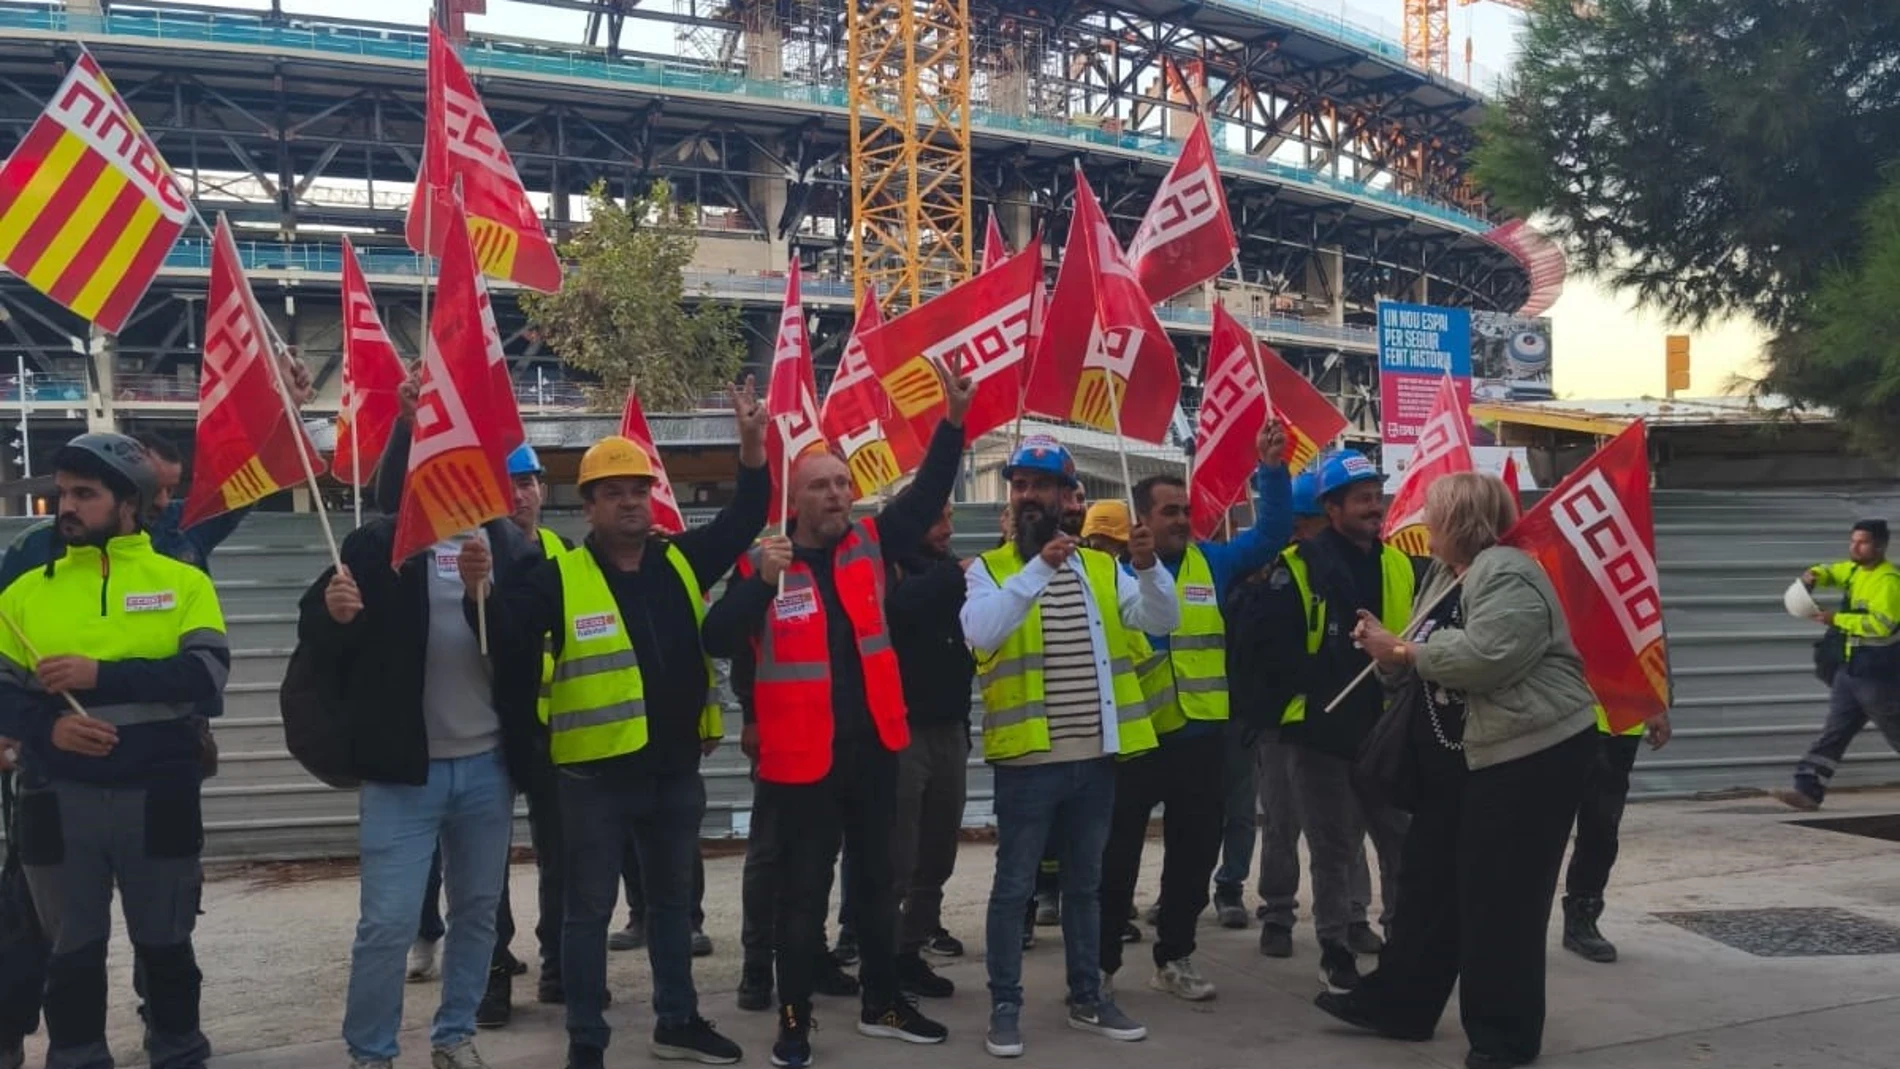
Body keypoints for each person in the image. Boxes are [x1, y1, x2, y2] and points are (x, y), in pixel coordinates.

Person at [459, 381, 771, 1069]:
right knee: (587, 915)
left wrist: (751, 445)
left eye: (638, 487)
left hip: (672, 772)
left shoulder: (681, 562)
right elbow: (505, 637)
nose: (630, 499)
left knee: (669, 909)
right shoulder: (557, 576)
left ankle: (677, 1021)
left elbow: (749, 512)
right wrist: (475, 588)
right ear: (590, 505)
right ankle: (586, 1042)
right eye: (614, 491)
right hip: (592, 780)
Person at [701, 363, 972, 1068]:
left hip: (876, 747)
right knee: (801, 896)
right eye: (820, 484)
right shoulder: (767, 562)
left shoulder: (871, 545)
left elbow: (927, 496)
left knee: (879, 883)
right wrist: (760, 583)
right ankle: (794, 1021)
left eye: (843, 483)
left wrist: (953, 422)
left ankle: (882, 1000)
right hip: (801, 763)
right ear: (795, 500)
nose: (836, 494)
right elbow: (717, 637)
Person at [1316, 472, 1599, 1069]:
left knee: (1501, 900)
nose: (1423, 525)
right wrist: (1388, 652)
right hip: (1464, 760)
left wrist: (1403, 652)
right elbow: (1419, 660)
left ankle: (1504, 1038)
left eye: (1432, 516)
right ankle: (1400, 1004)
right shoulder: (1448, 577)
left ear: (1460, 522)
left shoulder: (1508, 570)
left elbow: (1488, 659)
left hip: (1527, 758)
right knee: (1428, 884)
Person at [299, 431, 540, 1069]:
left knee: (477, 914)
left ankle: (454, 1036)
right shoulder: (375, 546)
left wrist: (480, 594)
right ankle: (372, 1053)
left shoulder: (507, 546)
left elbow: (524, 646)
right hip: (403, 771)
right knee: (386, 924)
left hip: (488, 767)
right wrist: (334, 615)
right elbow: (324, 643)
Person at [0, 433, 231, 1069]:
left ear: (127, 504)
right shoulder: (22, 595)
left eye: (85, 494)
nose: (66, 505)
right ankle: (76, 1057)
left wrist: (100, 676)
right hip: (55, 800)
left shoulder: (182, 582)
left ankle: (179, 1051)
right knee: (69, 953)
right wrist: (49, 729)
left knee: (167, 945)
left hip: (159, 795)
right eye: (63, 493)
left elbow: (206, 678)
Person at [961, 436, 1178, 1059]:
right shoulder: (990, 570)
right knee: (1013, 890)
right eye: (1019, 484)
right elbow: (983, 630)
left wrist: (1147, 567)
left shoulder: (1104, 569)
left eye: (1040, 485)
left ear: (1066, 496)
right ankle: (1006, 1006)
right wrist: (1039, 568)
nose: (1028, 495)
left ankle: (1088, 997)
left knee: (1086, 888)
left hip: (1095, 759)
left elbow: (1160, 620)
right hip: (1028, 765)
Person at [1097, 423, 1291, 1002]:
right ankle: (1101, 964)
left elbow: (1274, 532)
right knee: (1117, 859)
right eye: (1169, 512)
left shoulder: (1213, 562)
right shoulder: (1110, 573)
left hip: (1203, 736)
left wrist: (1272, 470)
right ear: (1143, 520)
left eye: (1184, 510)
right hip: (1137, 739)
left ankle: (1175, 956)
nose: (1182, 519)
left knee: (1193, 854)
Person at [1242, 449, 1419, 994]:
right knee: (1332, 846)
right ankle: (1335, 949)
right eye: (1362, 498)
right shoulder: (1297, 567)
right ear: (1332, 506)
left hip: (1388, 726)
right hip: (1322, 729)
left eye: (1377, 496)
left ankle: (1404, 945)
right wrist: (1312, 691)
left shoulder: (1399, 564)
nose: (1375, 506)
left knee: (1399, 842)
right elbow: (1268, 650)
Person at [1224, 469, 1376, 959]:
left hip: (1348, 718)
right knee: (1284, 822)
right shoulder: (1278, 573)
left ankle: (1354, 915)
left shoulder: (1362, 566)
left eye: (1303, 521)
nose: (1297, 531)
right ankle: (1279, 914)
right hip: (1285, 723)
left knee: (1346, 828)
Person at [886, 503, 973, 1000]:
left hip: (949, 731)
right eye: (936, 518)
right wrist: (953, 578)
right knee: (896, 859)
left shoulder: (948, 570)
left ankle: (909, 951)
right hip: (904, 734)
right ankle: (881, 958)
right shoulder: (889, 566)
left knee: (937, 857)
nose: (947, 529)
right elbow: (901, 609)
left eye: (949, 518)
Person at [1773, 519, 1900, 812]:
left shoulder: (1889, 582)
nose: (1855, 547)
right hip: (1851, 671)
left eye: (1863, 542)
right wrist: (1812, 576)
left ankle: (1808, 789)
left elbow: (1882, 626)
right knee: (1835, 731)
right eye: (1852, 541)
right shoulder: (1855, 570)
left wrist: (1836, 619)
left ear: (1879, 546)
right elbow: (1833, 571)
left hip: (1878, 674)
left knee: (1896, 730)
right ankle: (1807, 791)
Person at [1560, 706, 1670, 963]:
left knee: (1602, 826)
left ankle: (1583, 914)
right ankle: (1515, 921)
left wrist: (1655, 706)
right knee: (1539, 826)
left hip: (1619, 720)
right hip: (1557, 714)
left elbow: (1648, 663)